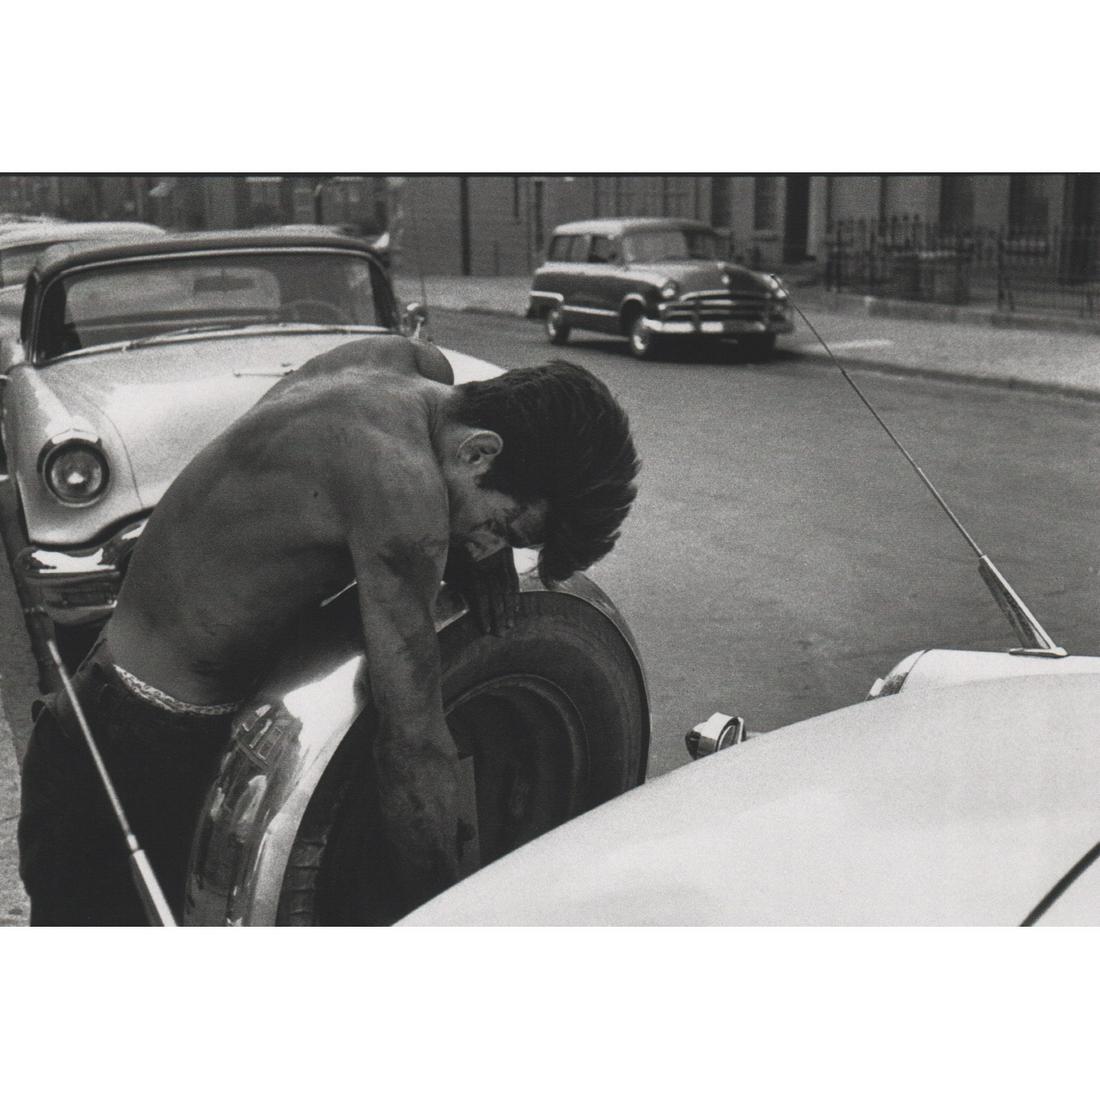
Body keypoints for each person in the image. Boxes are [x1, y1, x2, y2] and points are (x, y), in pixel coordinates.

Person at [18, 336, 639, 925]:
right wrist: (447, 908)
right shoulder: (403, 498)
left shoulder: (397, 364)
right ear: (478, 452)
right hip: (140, 750)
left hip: (97, 685)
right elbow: (412, 749)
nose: (483, 547)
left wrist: (490, 548)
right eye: (501, 528)